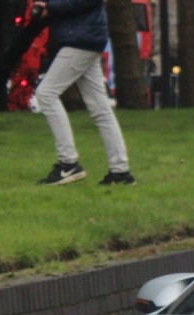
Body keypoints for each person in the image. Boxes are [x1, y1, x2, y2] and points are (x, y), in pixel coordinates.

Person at [31, 0, 135, 186]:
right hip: (85, 38)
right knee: (100, 108)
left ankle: (68, 163)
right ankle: (120, 172)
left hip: (79, 40)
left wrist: (51, 7)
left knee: (46, 93)